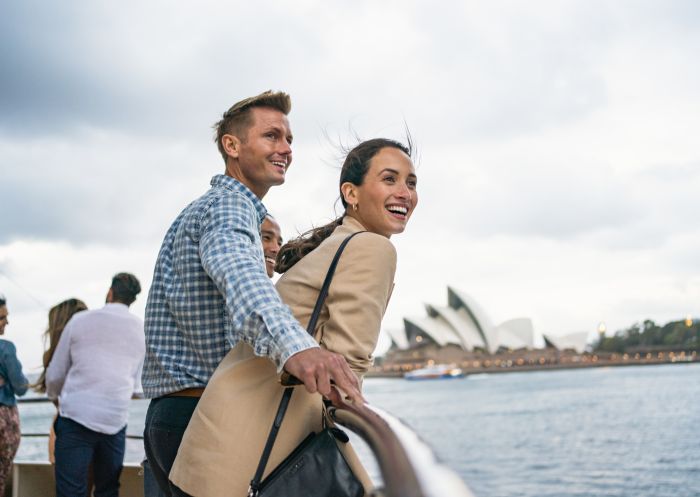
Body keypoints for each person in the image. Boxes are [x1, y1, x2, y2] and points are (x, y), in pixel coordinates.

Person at [142, 90, 363, 496]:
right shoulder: (228, 207)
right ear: (232, 145)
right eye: (272, 136)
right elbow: (242, 278)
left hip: (174, 412)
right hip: (197, 413)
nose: (286, 149)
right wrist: (299, 349)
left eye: (290, 140)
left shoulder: (210, 208)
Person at [170, 137, 419, 497]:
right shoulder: (372, 247)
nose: (404, 193)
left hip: (216, 444)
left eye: (411, 183)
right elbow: (347, 365)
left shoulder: (336, 242)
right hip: (252, 459)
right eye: (390, 179)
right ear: (351, 193)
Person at [46, 273, 145, 497]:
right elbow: (137, 388)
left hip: (75, 419)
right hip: (115, 422)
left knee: (71, 491)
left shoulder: (80, 321)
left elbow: (55, 374)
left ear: (110, 292)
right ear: (132, 299)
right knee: (107, 490)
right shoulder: (141, 329)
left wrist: (56, 397)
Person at [32, 298, 88, 463]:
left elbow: (56, 397)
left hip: (62, 426)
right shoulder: (86, 356)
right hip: (79, 429)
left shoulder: (51, 356)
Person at [0, 295, 29, 496]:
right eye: (2, 317)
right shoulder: (6, 349)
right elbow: (21, 387)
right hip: (4, 418)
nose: (7, 322)